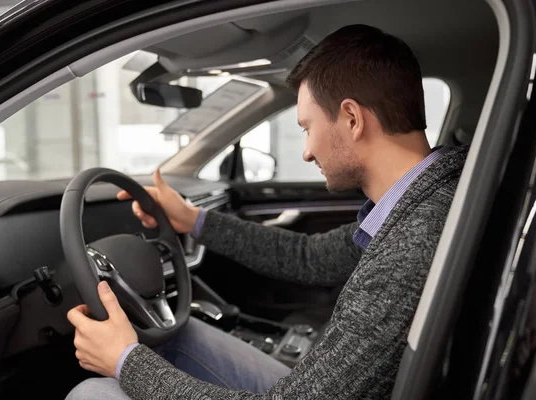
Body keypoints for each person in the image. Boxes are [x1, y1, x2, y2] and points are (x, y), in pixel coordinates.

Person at [66, 24, 468, 399]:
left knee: (90, 394)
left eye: (307, 127)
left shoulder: (413, 243)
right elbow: (308, 258)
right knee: (178, 337)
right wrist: (192, 219)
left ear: (351, 118)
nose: (307, 151)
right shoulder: (420, 204)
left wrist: (125, 361)